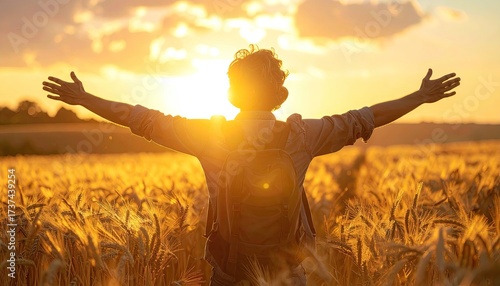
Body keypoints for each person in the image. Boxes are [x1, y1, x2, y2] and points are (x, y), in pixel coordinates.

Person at [42, 45, 460, 285]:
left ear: (232, 93)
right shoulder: (302, 135)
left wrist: (87, 99)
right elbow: (364, 117)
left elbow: (141, 118)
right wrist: (418, 97)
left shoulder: (210, 135)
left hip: (229, 272)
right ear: (279, 95)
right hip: (289, 272)